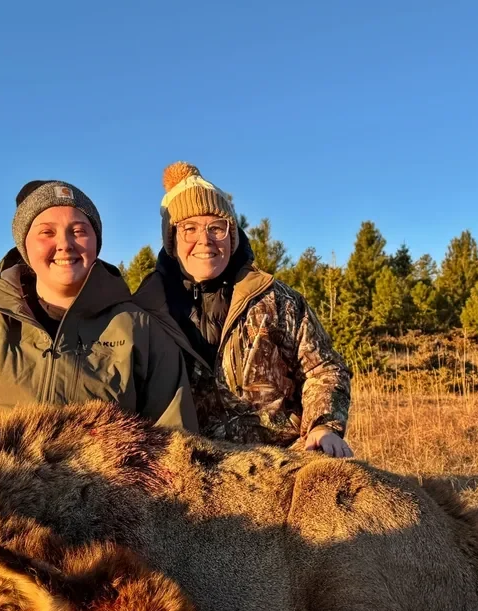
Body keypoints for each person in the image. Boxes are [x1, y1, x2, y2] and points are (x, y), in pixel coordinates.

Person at [0, 179, 198, 471]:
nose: (64, 244)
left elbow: (173, 441)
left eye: (78, 231)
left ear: (96, 243)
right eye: (46, 232)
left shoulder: (138, 329)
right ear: (24, 245)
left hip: (106, 515)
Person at [135, 162, 353, 457]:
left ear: (232, 235)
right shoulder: (143, 310)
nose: (205, 240)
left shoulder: (276, 299)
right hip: (188, 470)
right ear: (172, 238)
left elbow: (323, 368)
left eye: (216, 227)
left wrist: (322, 426)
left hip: (281, 461)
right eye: (190, 228)